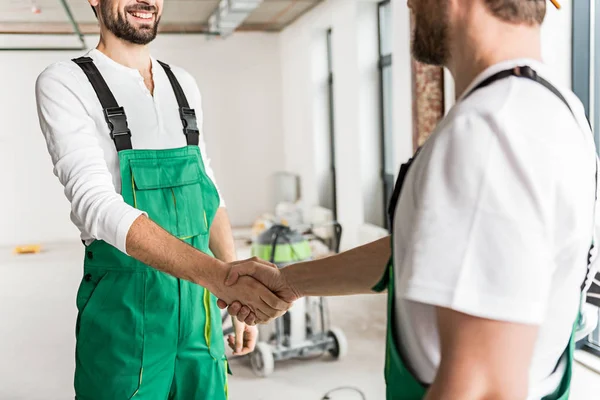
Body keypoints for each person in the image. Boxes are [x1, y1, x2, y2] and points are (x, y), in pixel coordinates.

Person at [219, 0, 600, 399]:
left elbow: (485, 386)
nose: (409, 5)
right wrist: (290, 282)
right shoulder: (553, 107)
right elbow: (423, 250)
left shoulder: (488, 133)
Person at [35, 0, 289, 398]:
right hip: (125, 308)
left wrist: (234, 277)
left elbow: (210, 191)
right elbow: (96, 205)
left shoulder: (183, 83)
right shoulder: (66, 82)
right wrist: (220, 277)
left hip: (199, 312)